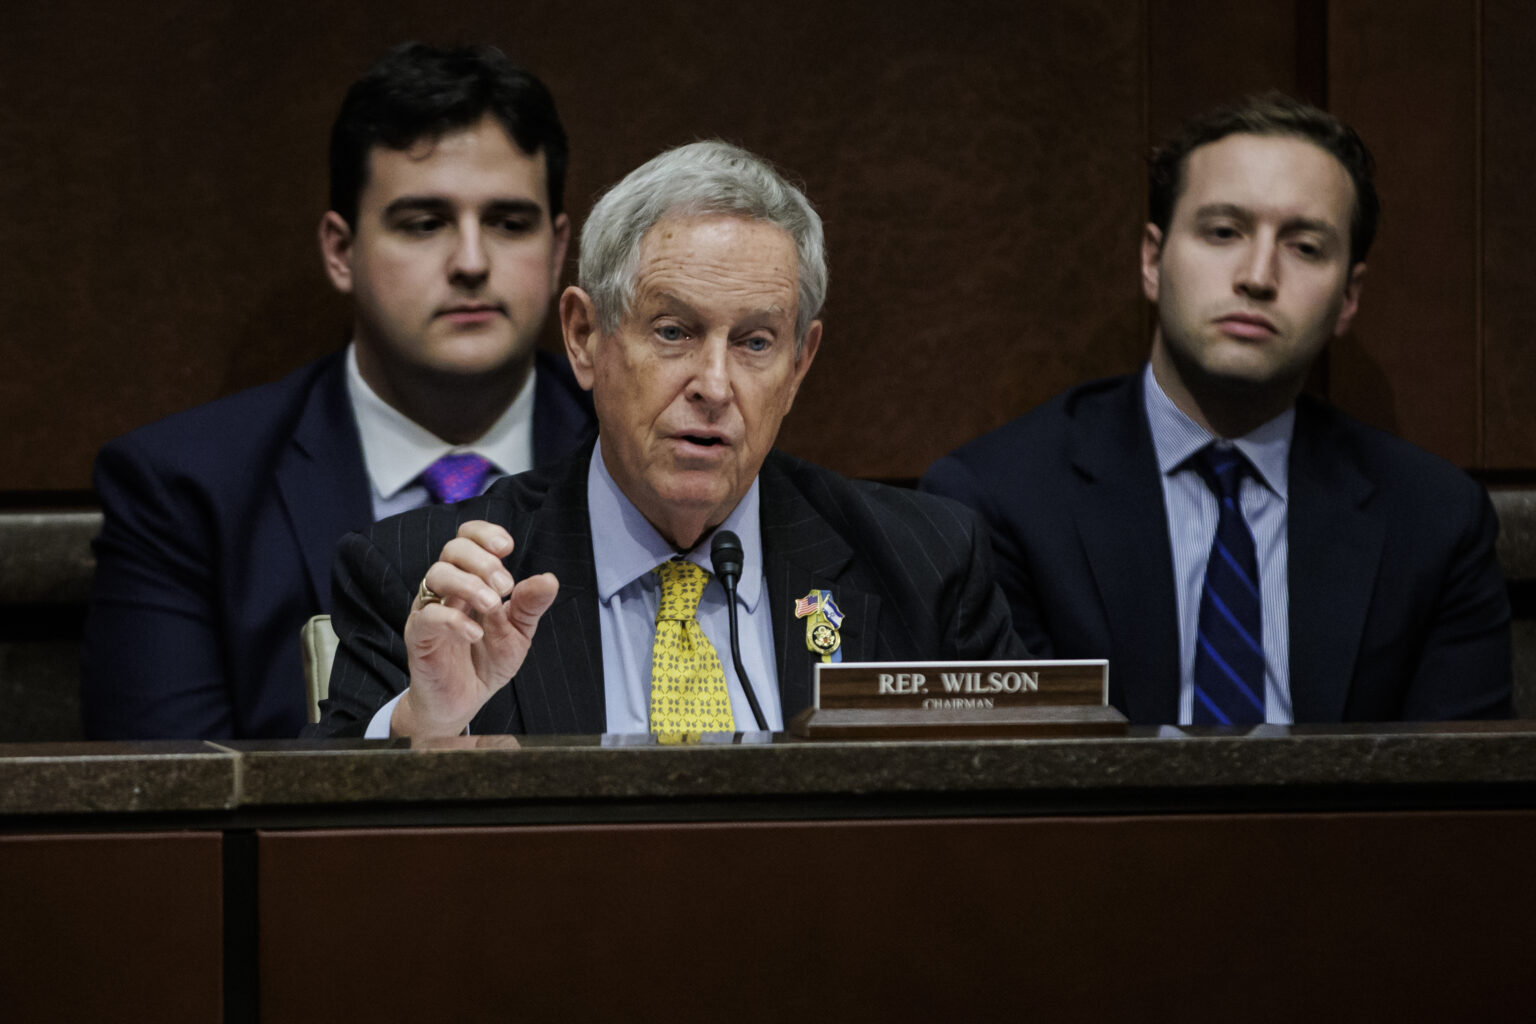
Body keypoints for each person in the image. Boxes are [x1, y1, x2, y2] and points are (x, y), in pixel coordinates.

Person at [312, 140, 1024, 738]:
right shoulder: (429, 580)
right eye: (674, 331)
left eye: (754, 342)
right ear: (585, 337)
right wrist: (423, 726)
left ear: (800, 362)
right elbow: (318, 859)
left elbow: (1012, 827)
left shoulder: (923, 567)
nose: (714, 385)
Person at [922, 92, 1512, 726]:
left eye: (1306, 247)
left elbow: (1459, 796)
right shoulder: (997, 501)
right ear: (1153, 260)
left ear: (1349, 297)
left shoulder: (1433, 519)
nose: (1258, 275)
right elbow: (1015, 786)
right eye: (1223, 232)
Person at [82, 43, 594, 740]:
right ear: (340, 250)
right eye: (424, 223)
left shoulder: (637, 453)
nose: (472, 263)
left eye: (509, 223)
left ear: (558, 247)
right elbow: (166, 811)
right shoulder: (188, 492)